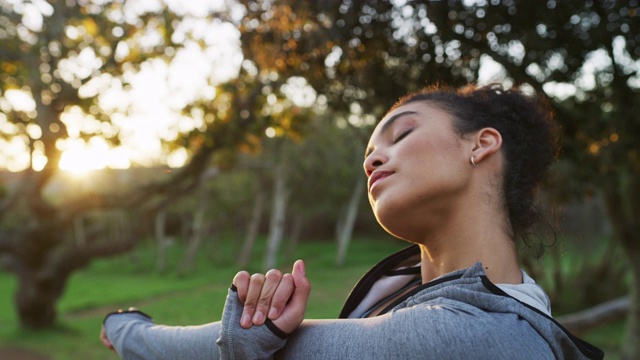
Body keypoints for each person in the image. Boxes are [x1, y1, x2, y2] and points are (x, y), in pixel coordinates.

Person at [100, 84, 604, 359]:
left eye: (401, 134)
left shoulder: (485, 337)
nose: (372, 161)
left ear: (481, 144)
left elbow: (196, 353)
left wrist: (125, 328)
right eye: (369, 152)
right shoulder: (462, 300)